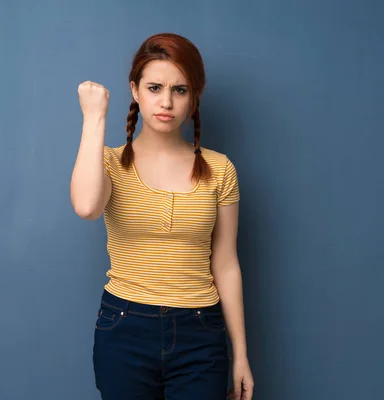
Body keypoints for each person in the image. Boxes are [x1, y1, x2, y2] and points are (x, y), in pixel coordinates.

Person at [70, 33, 254, 399]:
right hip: (124, 327)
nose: (167, 102)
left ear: (194, 96)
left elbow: (227, 263)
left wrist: (241, 355)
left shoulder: (220, 169)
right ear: (135, 91)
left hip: (201, 330)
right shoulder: (107, 163)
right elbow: (87, 207)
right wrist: (94, 117)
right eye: (154, 87)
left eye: (180, 90)